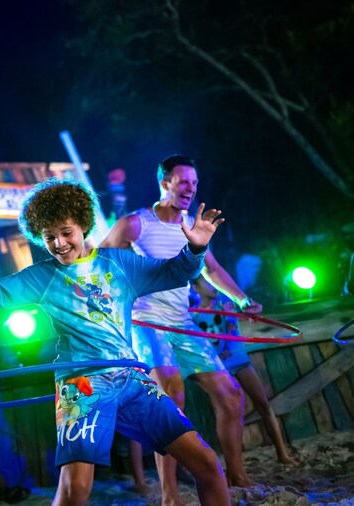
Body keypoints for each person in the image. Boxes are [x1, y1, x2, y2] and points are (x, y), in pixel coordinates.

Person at [0, 178, 230, 505]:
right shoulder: (43, 276)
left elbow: (175, 273)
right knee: (76, 490)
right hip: (82, 384)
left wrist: (196, 248)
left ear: (83, 226)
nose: (59, 243)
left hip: (131, 378)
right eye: (49, 237)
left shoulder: (120, 263)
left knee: (208, 464)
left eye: (66, 232)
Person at [100, 154, 254, 500]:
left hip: (182, 323)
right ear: (165, 183)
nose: (191, 188)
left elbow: (211, 269)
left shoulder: (192, 227)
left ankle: (237, 477)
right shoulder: (135, 223)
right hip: (146, 321)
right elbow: (100, 264)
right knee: (171, 398)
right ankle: (170, 494)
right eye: (184, 181)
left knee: (231, 396)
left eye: (195, 183)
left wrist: (242, 299)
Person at [191, 276, 297, 466]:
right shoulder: (192, 315)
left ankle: (282, 453)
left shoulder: (225, 304)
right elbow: (197, 342)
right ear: (196, 288)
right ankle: (235, 465)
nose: (213, 286)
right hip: (216, 367)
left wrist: (224, 346)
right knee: (223, 413)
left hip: (238, 360)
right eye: (206, 282)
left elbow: (231, 326)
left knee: (263, 404)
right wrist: (215, 354)